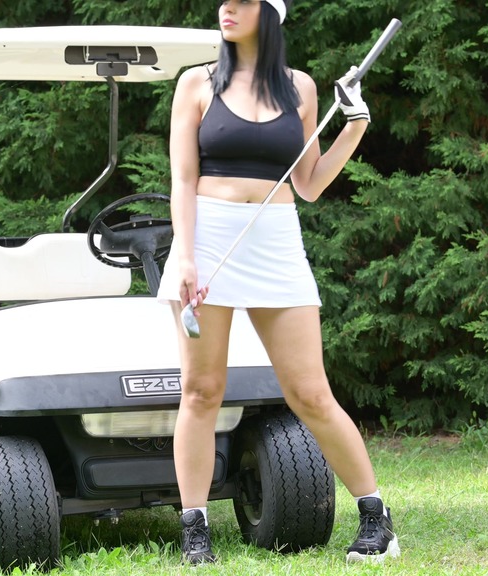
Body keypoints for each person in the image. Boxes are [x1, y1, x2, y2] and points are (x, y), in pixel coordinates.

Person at [156, 0, 401, 565]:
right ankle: (195, 530)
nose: (227, 7)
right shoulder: (196, 83)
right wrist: (185, 256)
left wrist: (355, 125)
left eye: (242, 1)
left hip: (276, 242)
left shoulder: (301, 88)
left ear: (270, 12)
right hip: (208, 241)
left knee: (310, 393)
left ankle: (376, 519)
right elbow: (183, 180)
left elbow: (309, 184)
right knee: (201, 391)